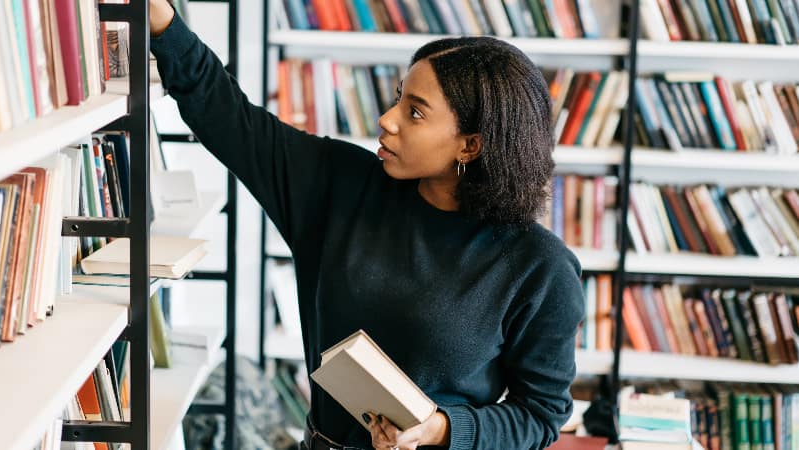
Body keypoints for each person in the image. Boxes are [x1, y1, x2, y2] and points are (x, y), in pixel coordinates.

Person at [148, 1, 584, 449]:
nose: (386, 119)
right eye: (399, 97)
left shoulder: (539, 267)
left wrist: (441, 428)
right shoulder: (337, 185)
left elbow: (540, 415)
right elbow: (228, 116)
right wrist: (162, 22)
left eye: (414, 112)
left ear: (469, 146)